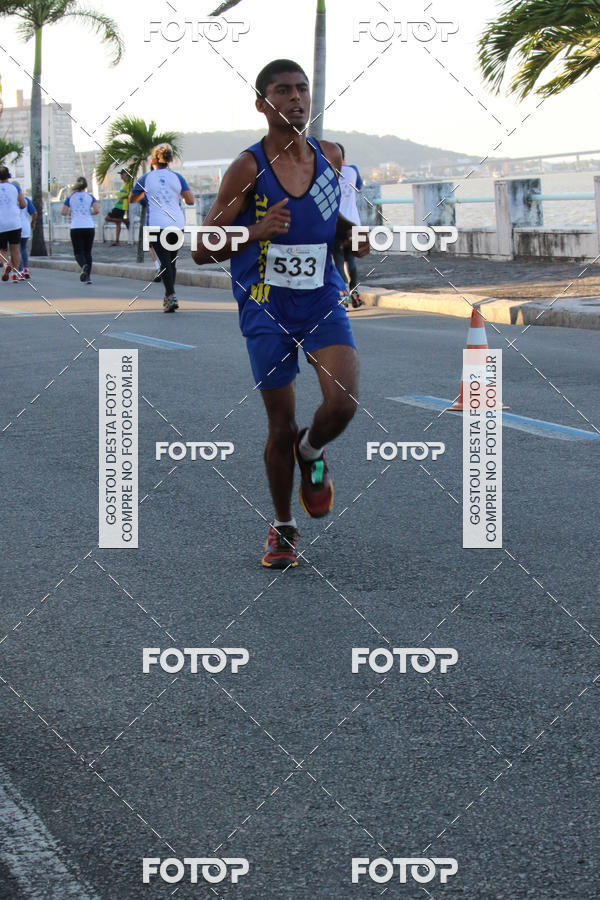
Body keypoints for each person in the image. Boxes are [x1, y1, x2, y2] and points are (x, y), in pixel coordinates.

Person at [192, 59, 369, 568]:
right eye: (283, 91)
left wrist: (350, 238)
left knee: (343, 403)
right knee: (279, 425)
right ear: (262, 104)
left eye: (302, 90)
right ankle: (283, 528)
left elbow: (332, 222)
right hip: (265, 306)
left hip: (320, 297)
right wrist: (255, 229)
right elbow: (204, 247)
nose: (296, 98)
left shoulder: (331, 157)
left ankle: (311, 451)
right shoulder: (248, 168)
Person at [130, 145, 195, 312]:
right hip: (177, 224)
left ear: (153, 161)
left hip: (156, 225)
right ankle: (168, 297)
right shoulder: (177, 178)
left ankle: (171, 294)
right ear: (170, 161)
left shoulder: (146, 178)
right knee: (171, 262)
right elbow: (190, 201)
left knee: (164, 262)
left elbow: (132, 198)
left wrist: (148, 194)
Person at [333, 144, 364, 308]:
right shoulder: (353, 171)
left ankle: (343, 297)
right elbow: (359, 186)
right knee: (351, 261)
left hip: (336, 225)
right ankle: (355, 294)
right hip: (354, 223)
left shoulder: (328, 174)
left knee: (338, 261)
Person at [61, 176, 99, 284]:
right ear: (86, 186)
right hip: (89, 226)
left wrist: (72, 213)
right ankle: (88, 278)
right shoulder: (90, 197)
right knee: (88, 252)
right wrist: (88, 213)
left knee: (78, 252)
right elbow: (97, 210)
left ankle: (83, 266)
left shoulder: (71, 197)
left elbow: (63, 212)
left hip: (76, 227)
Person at [0, 165, 26, 283]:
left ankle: (5, 264)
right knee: (15, 249)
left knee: (2, 249)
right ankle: (16, 274)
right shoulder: (15, 188)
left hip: (1, 224)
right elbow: (23, 205)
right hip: (15, 223)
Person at [105, 169, 130, 245]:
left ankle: (124, 221)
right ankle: (117, 240)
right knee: (117, 223)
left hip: (122, 206)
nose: (121, 176)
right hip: (118, 205)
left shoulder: (129, 184)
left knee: (108, 218)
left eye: (122, 174)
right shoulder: (124, 184)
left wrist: (122, 198)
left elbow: (130, 194)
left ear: (126, 174)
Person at [19, 195, 37, 279]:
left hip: (15, 227)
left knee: (16, 250)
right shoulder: (26, 199)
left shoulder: (11, 199)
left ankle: (20, 271)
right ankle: (26, 269)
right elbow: (34, 212)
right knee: (23, 248)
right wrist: (33, 223)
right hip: (25, 227)